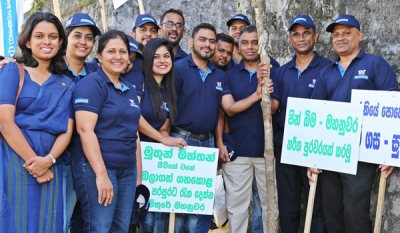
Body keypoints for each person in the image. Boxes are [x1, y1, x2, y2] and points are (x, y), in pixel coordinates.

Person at [308, 14, 396, 233]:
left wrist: (391, 152)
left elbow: (392, 108)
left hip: (360, 154)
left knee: (355, 213)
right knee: (332, 213)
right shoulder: (325, 72)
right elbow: (315, 115)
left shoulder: (375, 64)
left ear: (360, 35)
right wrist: (311, 157)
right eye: (336, 34)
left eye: (347, 32)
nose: (341, 38)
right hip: (330, 153)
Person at [0, 12, 73, 233]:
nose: (46, 42)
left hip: (52, 163)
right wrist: (36, 164)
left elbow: (67, 130)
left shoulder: (67, 82)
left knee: (50, 222)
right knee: (16, 221)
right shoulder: (13, 70)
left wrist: (48, 160)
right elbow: (5, 122)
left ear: (61, 41)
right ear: (28, 41)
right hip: (16, 160)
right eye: (39, 36)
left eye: (53, 36)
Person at [259, 14, 331, 233]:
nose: (301, 38)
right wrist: (263, 92)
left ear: (315, 37)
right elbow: (273, 109)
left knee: (317, 204)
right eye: (296, 34)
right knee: (288, 205)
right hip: (286, 146)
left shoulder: (328, 68)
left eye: (306, 33)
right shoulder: (281, 72)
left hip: (318, 147)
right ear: (290, 39)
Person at [71, 30, 142, 232]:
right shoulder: (91, 84)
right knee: (99, 228)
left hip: (127, 170)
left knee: (120, 227)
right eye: (111, 51)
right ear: (99, 56)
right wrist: (102, 175)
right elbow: (85, 130)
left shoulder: (129, 88)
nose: (118, 56)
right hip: (99, 169)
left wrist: (138, 176)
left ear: (129, 57)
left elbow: (134, 129)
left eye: (123, 51)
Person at [172, 22, 229, 233]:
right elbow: (167, 108)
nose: (207, 44)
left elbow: (224, 111)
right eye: (202, 39)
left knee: (202, 205)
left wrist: (219, 143)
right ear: (191, 42)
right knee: (179, 204)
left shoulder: (220, 75)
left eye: (212, 41)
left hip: (207, 144)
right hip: (181, 141)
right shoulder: (177, 69)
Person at [220, 25, 271, 233]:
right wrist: (257, 95)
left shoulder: (271, 69)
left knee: (268, 207)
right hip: (237, 152)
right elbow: (229, 109)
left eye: (255, 42)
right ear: (238, 47)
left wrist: (267, 94)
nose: (250, 47)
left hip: (267, 152)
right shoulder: (228, 74)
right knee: (236, 207)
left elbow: (275, 107)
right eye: (245, 43)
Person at [138, 38, 186, 233]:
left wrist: (170, 142)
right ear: (148, 59)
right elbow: (135, 117)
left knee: (159, 217)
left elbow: (164, 126)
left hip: (156, 160)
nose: (162, 61)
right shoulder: (139, 82)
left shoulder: (168, 89)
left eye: (166, 56)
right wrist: (162, 139)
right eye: (156, 57)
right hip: (137, 157)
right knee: (144, 217)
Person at [62, 13, 102, 233]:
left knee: (84, 222)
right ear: (65, 38)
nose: (83, 42)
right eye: (77, 35)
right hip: (58, 160)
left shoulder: (98, 74)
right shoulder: (51, 68)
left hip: (88, 159)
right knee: (61, 220)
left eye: (89, 38)